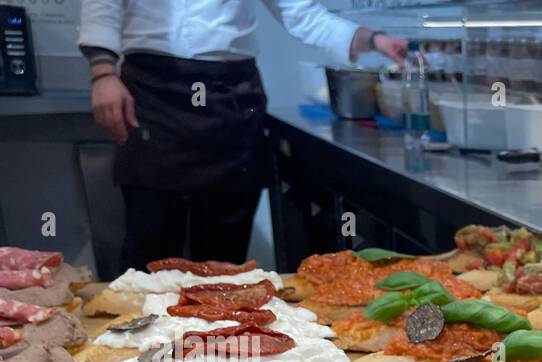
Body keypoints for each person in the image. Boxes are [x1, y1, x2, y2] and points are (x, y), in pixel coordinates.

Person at [79, 0, 406, 270]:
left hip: (231, 98)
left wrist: (373, 39)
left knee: (225, 255)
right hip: (153, 92)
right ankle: (142, 345)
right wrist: (102, 71)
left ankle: (224, 343)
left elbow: (300, 12)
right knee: (150, 249)